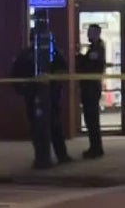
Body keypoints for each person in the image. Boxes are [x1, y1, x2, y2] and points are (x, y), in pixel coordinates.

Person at [12, 27, 72, 169]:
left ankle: (60, 155)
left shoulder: (53, 54)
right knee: (38, 127)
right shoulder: (26, 55)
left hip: (51, 95)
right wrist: (24, 88)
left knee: (54, 126)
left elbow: (63, 70)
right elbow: (16, 75)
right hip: (34, 97)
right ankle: (43, 156)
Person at [75, 23, 106, 158]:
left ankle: (96, 148)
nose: (88, 34)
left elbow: (89, 66)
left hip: (91, 87)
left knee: (92, 119)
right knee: (90, 119)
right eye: (88, 32)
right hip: (89, 87)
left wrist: (78, 57)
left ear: (97, 33)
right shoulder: (94, 47)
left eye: (91, 32)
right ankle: (95, 147)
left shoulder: (97, 48)